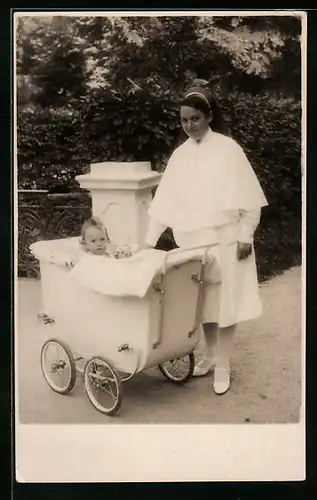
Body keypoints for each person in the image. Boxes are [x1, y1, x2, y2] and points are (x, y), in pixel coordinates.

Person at [144, 82, 268, 395]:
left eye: (195, 119)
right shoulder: (179, 157)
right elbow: (165, 202)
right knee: (202, 302)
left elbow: (250, 198)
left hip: (226, 238)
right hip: (192, 242)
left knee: (225, 303)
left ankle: (223, 364)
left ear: (209, 116)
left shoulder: (229, 150)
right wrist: (148, 242)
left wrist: (246, 235)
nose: (189, 125)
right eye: (184, 120)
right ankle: (210, 355)